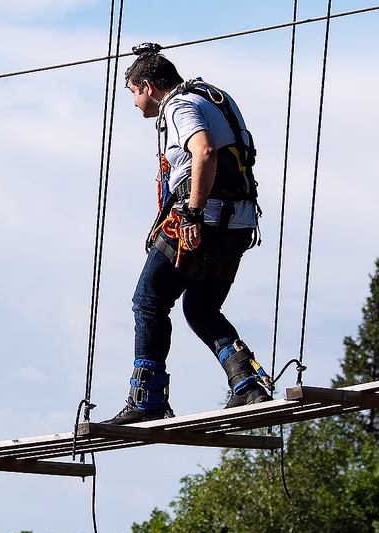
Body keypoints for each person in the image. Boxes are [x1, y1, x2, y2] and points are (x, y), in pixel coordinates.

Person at [101, 44, 275, 425]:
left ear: (147, 86)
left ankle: (146, 398)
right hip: (239, 222)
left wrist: (192, 213)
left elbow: (205, 151)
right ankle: (246, 383)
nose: (133, 103)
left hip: (203, 220)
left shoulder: (178, 106)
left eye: (132, 92)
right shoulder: (214, 96)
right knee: (200, 307)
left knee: (147, 301)